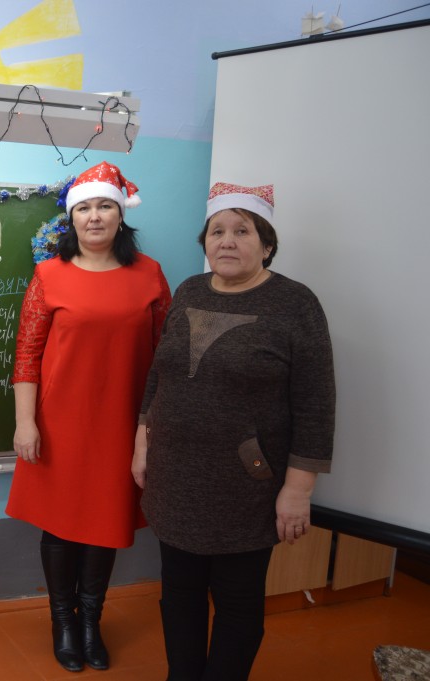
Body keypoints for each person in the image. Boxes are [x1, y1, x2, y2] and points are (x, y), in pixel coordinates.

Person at [132, 182, 335, 681]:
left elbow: (316, 404)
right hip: (175, 476)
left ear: (267, 245)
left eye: (242, 231)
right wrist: (142, 442)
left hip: (246, 486)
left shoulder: (295, 303)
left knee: (238, 604)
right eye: (217, 231)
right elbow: (159, 375)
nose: (226, 241)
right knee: (178, 593)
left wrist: (298, 490)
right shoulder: (189, 290)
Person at [7, 162, 171, 672]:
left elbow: (166, 356)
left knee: (105, 520)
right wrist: (26, 423)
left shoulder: (150, 275)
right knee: (60, 526)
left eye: (104, 206)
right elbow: (27, 354)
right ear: (71, 218)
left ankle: (90, 621)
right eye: (84, 208)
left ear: (121, 215)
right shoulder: (48, 276)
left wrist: (151, 430)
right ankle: (63, 621)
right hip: (59, 425)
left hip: (122, 424)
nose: (94, 216)